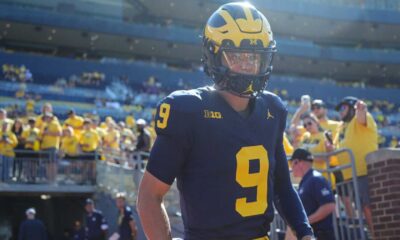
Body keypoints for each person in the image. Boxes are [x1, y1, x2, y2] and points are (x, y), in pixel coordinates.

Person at [137, 2, 313, 240]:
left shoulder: (272, 110)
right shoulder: (188, 111)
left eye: (254, 56)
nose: (247, 65)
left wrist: (305, 233)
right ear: (214, 55)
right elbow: (149, 196)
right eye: (237, 56)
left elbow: (282, 186)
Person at [335, 96, 378, 235]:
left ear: (352, 107)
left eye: (343, 108)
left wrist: (361, 110)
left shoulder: (360, 118)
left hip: (364, 172)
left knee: (369, 207)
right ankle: (374, 235)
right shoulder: (343, 127)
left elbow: (361, 117)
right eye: (339, 109)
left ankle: (378, 236)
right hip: (352, 175)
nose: (340, 112)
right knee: (364, 209)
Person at [287, 148, 335, 240]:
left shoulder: (316, 179)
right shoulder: (307, 181)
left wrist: (305, 222)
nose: (291, 168)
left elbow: (329, 205)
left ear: (298, 162)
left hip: (321, 235)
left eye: (292, 163)